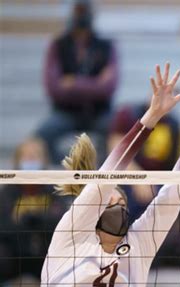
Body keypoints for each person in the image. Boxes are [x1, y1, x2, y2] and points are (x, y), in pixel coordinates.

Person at [33, 61, 180, 287]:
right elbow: (108, 174)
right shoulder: (73, 233)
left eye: (122, 203)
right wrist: (151, 116)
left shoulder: (139, 245)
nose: (118, 207)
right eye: (110, 202)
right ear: (93, 209)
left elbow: (175, 191)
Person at [36, 0, 119, 164]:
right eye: (78, 11)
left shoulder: (107, 46)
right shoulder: (57, 45)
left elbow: (108, 88)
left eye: (84, 10)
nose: (81, 15)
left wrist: (73, 82)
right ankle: (54, 180)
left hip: (100, 113)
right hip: (65, 113)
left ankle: (105, 181)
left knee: (120, 136)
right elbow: (54, 88)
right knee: (39, 139)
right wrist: (94, 83)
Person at [0, 138, 66, 286]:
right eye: (26, 156)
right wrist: (31, 223)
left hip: (45, 252)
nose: (30, 160)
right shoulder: (8, 191)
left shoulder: (53, 190)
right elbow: (4, 226)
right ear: (18, 161)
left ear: (44, 161)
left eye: (34, 156)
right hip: (15, 254)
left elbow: (61, 222)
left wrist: (34, 218)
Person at [108, 99, 180, 223]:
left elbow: (173, 165)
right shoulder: (128, 114)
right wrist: (138, 179)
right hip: (127, 176)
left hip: (157, 180)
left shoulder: (173, 124)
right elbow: (116, 151)